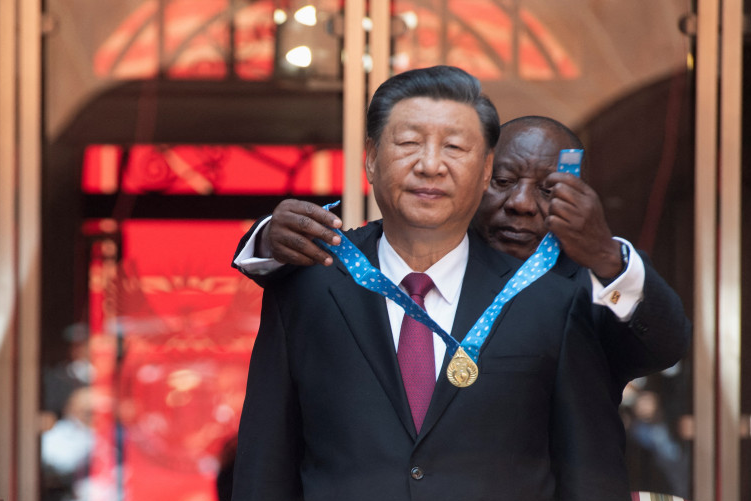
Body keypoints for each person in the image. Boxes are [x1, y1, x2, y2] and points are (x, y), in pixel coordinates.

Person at [230, 66, 665, 501]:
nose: (430, 165)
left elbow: (592, 479)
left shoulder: (550, 293)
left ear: (486, 167)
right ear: (369, 158)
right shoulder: (306, 287)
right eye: (408, 143)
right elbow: (265, 476)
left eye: (456, 148)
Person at [233, 116, 691, 399]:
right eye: (504, 181)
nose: (522, 204)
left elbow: (664, 348)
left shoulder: (590, 286)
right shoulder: (415, 260)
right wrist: (270, 237)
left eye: (550, 191)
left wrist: (606, 255)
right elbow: (308, 267)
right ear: (473, 179)